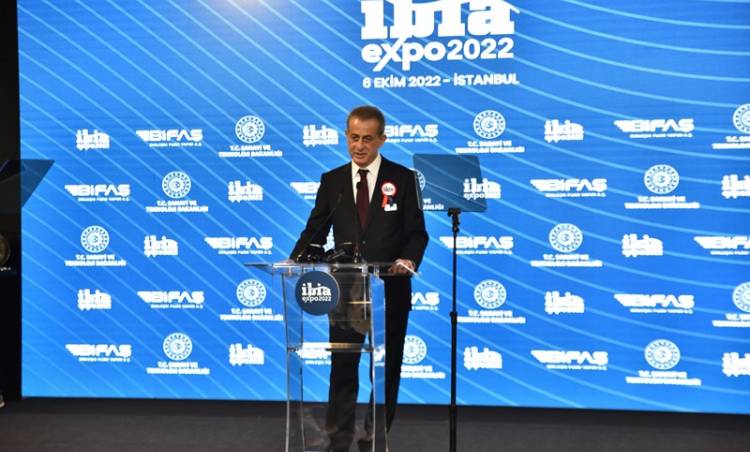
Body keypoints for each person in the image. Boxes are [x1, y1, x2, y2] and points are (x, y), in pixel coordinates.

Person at [290, 105, 428, 451]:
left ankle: (373, 439)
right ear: (346, 136)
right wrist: (294, 258)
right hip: (346, 289)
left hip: (390, 289)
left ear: (382, 139)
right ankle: (338, 442)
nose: (359, 146)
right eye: (354, 138)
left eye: (367, 139)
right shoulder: (333, 180)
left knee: (386, 370)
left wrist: (408, 259)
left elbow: (417, 232)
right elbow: (315, 228)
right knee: (342, 368)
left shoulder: (403, 179)